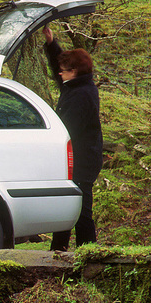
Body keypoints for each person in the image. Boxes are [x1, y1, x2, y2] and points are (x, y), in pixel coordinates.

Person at [42, 25, 102, 251]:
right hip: (75, 157)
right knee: (67, 204)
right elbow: (59, 66)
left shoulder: (82, 95)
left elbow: (68, 129)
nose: (60, 73)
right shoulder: (76, 85)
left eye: (65, 70)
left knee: (80, 207)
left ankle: (89, 252)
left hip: (82, 160)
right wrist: (51, 44)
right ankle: (58, 251)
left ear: (75, 71)